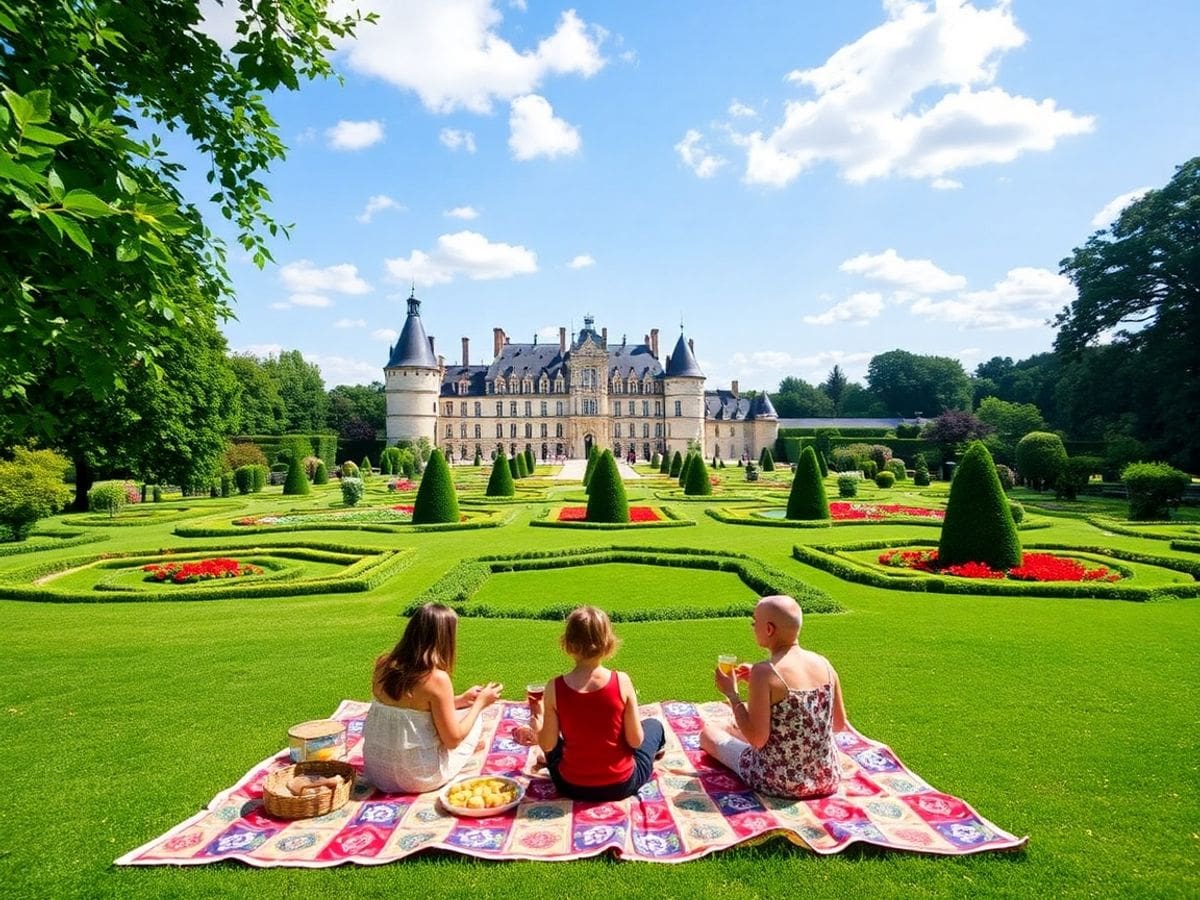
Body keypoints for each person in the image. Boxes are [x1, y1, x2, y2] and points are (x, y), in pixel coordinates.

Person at [699, 595, 848, 799]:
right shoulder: (824, 664)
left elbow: (757, 739)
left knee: (709, 733)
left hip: (776, 781)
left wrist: (732, 694)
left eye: (755, 622)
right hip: (826, 778)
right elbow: (838, 724)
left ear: (769, 629)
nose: (752, 627)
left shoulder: (765, 672)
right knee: (735, 728)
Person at [516, 606, 665, 802]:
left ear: (567, 644)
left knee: (553, 740)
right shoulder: (622, 681)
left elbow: (548, 744)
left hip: (571, 786)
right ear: (608, 643)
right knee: (653, 725)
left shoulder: (554, 687)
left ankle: (567, 758)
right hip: (619, 785)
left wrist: (539, 719)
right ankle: (656, 750)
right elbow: (635, 741)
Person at [362, 603, 503, 793]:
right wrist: (480, 703)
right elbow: (452, 740)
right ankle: (466, 752)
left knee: (460, 712)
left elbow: (408, 708)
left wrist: (460, 700)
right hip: (420, 778)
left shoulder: (383, 664)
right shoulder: (436, 679)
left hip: (378, 774)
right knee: (473, 719)